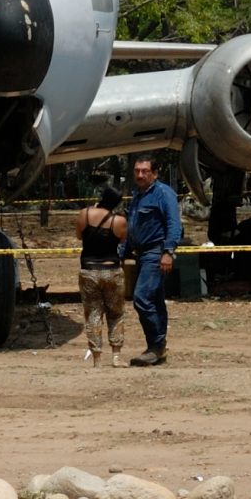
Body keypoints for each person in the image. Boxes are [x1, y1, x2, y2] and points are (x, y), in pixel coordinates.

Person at [124, 153, 180, 367]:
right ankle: (158, 348)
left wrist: (168, 252)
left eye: (145, 171)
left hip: (155, 253)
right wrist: (122, 253)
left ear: (154, 174)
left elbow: (174, 224)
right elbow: (132, 226)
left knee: (142, 298)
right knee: (155, 300)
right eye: (137, 171)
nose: (140, 175)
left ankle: (156, 346)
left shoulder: (163, 194)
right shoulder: (137, 195)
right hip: (141, 253)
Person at [73, 184, 130, 364]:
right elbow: (122, 240)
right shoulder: (119, 221)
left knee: (93, 314)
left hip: (89, 270)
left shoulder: (84, 214)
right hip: (112, 270)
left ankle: (96, 358)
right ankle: (116, 356)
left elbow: (79, 236)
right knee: (116, 313)